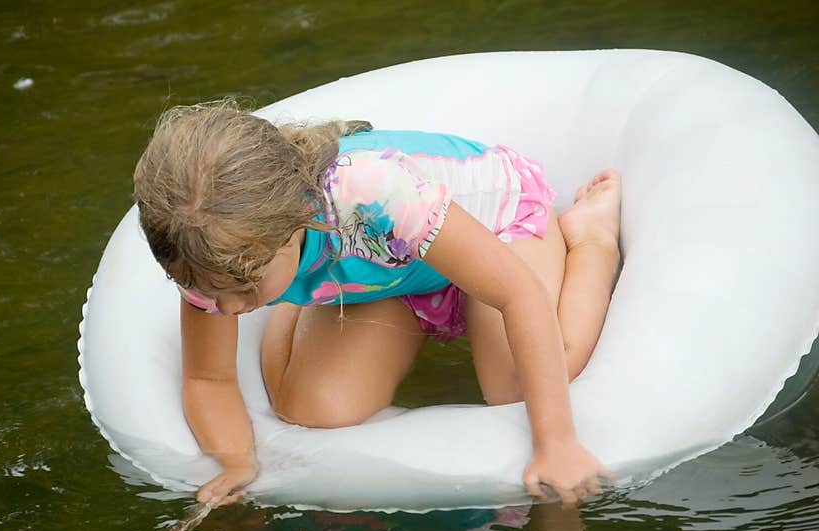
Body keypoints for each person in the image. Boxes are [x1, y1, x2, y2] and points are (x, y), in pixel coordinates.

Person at [134, 98, 620, 508]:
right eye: (216, 296)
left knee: (514, 386)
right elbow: (208, 376)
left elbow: (519, 294)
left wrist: (556, 443)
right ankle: (333, 294)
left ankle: (591, 238)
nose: (234, 310)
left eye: (247, 290)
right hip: (393, 271)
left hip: (495, 229)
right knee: (312, 407)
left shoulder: (374, 191)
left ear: (295, 223)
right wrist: (237, 460)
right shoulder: (206, 257)